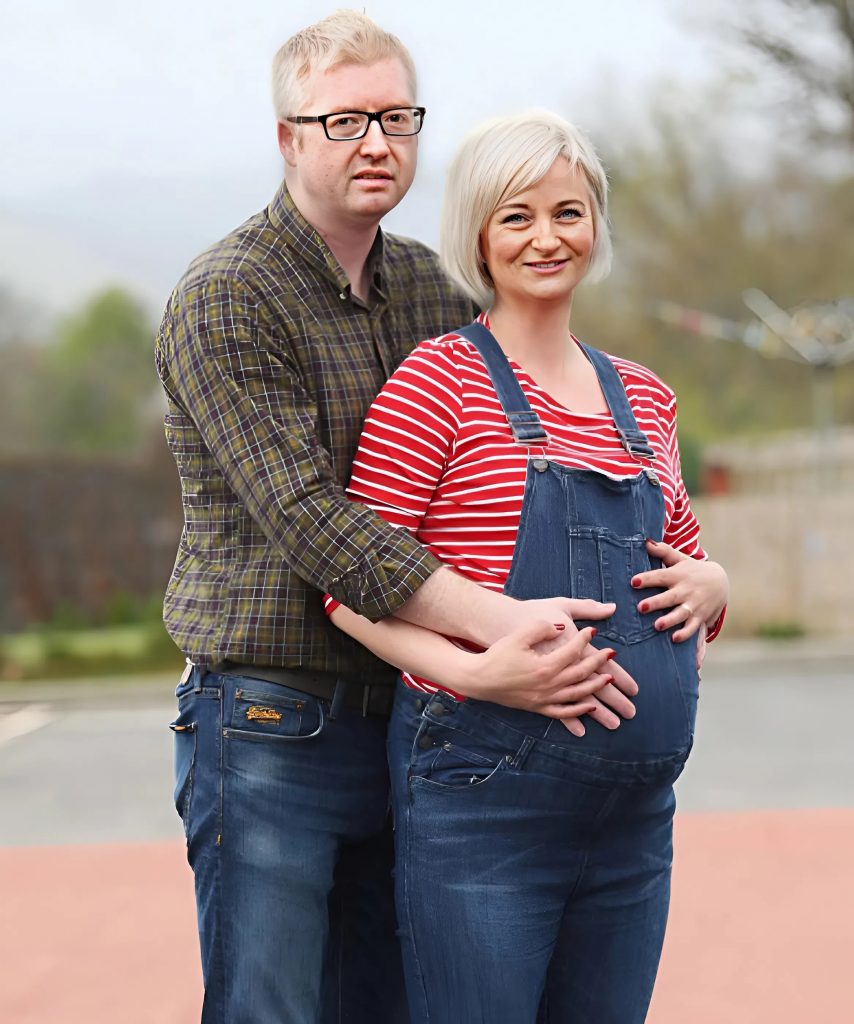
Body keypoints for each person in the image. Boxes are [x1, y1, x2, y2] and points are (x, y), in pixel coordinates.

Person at [155, 14, 638, 1024]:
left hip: (417, 727)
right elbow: (307, 518)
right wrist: (499, 625)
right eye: (343, 121)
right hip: (272, 718)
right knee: (269, 1008)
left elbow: (502, 453)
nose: (375, 142)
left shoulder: (430, 284)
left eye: (395, 117)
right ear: (287, 137)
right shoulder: (227, 295)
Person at [326, 110, 730, 1024]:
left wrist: (718, 585)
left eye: (567, 212)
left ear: (595, 225)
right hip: (483, 809)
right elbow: (348, 590)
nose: (547, 237)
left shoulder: (646, 397)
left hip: (633, 821)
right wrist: (476, 673)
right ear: (479, 236)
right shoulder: (435, 382)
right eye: (517, 216)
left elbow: (687, 561)